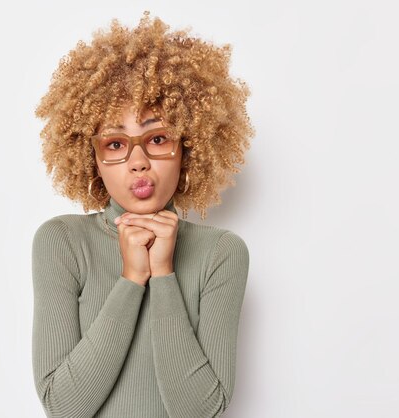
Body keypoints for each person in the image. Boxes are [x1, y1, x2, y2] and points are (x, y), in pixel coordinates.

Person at [31, 11, 255, 418]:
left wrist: (164, 272)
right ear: (91, 158)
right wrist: (132, 279)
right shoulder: (62, 242)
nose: (138, 162)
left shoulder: (222, 253)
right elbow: (63, 407)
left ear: (189, 146)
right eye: (115, 144)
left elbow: (199, 411)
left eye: (157, 138)